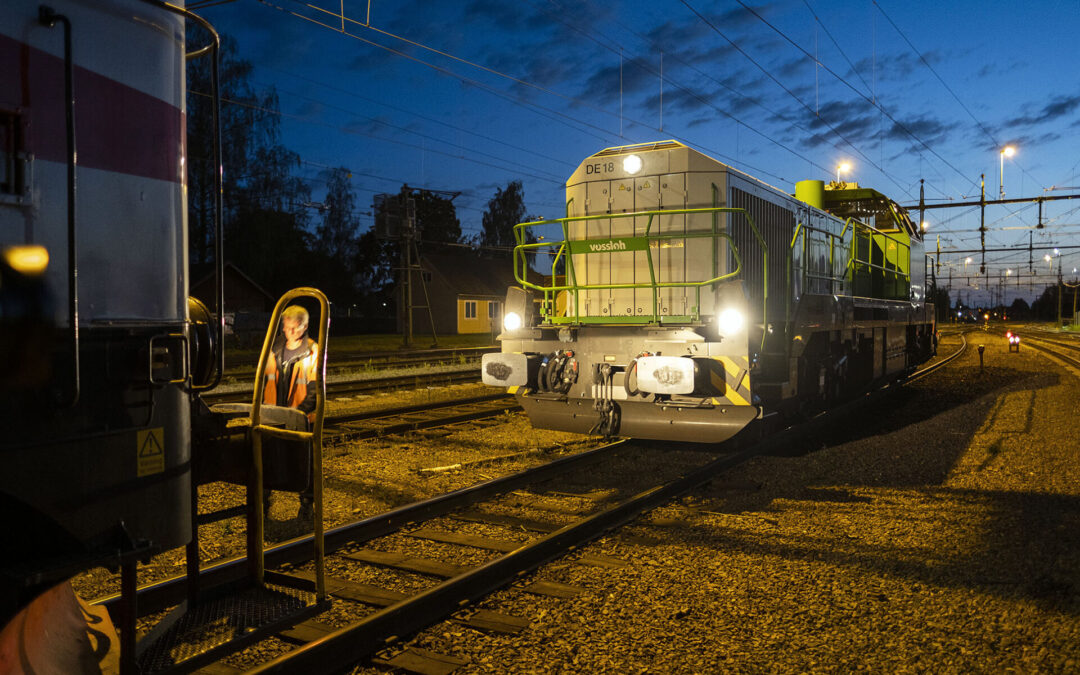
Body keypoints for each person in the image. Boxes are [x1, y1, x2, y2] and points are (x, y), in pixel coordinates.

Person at [263, 304, 319, 520]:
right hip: (271, 417)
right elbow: (263, 381)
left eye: (294, 328)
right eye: (287, 327)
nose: (290, 332)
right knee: (267, 461)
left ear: (304, 326)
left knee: (303, 464)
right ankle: (263, 503)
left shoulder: (314, 351)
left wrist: (299, 413)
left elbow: (315, 390)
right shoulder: (272, 348)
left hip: (301, 420)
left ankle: (306, 504)